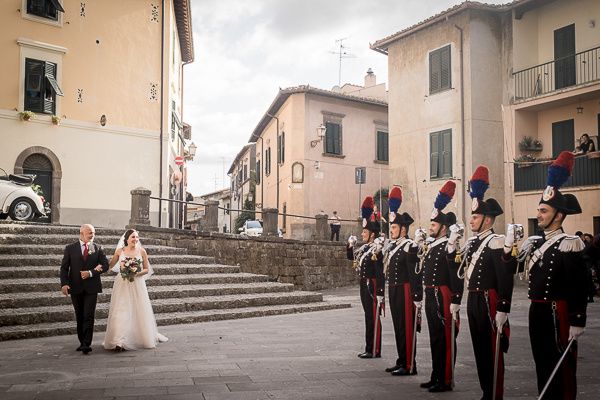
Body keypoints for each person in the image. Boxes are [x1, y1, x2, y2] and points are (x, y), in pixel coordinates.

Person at [518, 151, 587, 399]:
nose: (539, 215)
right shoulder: (535, 243)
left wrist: (578, 319)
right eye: (539, 210)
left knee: (562, 366)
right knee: (542, 364)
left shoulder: (570, 243)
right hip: (537, 312)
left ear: (558, 215)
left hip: (558, 313)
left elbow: (580, 285)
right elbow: (514, 269)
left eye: (544, 211)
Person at [458, 166, 518, 400]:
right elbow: (457, 268)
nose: (470, 221)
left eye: (474, 217)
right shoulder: (472, 243)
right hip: (473, 299)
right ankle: (486, 390)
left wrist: (503, 306)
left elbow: (505, 276)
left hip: (488, 299)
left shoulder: (496, 241)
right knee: (479, 350)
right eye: (471, 216)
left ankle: (495, 393)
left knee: (492, 350)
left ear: (488, 219)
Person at [418, 180, 463, 393]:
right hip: (430, 293)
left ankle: (445, 378)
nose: (430, 227)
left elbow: (456, 273)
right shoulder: (431, 245)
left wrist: (456, 298)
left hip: (443, 294)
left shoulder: (448, 246)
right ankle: (436, 374)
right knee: (435, 337)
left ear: (443, 228)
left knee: (445, 337)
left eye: (433, 225)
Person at [103, 229, 168, 350]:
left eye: (137, 237)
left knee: (138, 309)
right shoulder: (119, 251)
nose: (135, 239)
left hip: (137, 284)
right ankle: (119, 341)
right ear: (127, 239)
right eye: (133, 237)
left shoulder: (142, 251)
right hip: (122, 284)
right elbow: (110, 265)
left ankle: (137, 337)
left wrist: (136, 273)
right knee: (121, 309)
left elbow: (146, 269)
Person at [383, 186, 422, 376]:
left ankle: (409, 364)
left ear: (403, 229)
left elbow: (415, 273)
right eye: (391, 228)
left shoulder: (409, 246)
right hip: (394, 289)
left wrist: (416, 296)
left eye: (395, 227)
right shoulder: (394, 246)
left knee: (407, 327)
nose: (391, 231)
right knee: (398, 326)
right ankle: (401, 359)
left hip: (406, 290)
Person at [60, 224, 109, 355]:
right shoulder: (70, 248)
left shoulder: (98, 248)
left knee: (88, 315)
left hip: (91, 288)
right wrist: (64, 284)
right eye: (90, 233)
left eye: (93, 233)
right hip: (75, 287)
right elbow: (64, 268)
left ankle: (86, 344)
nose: (93, 235)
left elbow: (105, 265)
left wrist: (91, 272)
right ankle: (81, 341)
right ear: (81, 234)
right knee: (79, 315)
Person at [347, 196, 385, 359]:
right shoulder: (366, 248)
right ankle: (369, 347)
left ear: (372, 234)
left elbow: (379, 271)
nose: (362, 234)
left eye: (364, 231)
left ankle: (374, 348)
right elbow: (352, 258)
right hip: (364, 284)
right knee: (367, 316)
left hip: (372, 284)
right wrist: (350, 246)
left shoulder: (377, 247)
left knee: (373, 317)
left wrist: (380, 292)